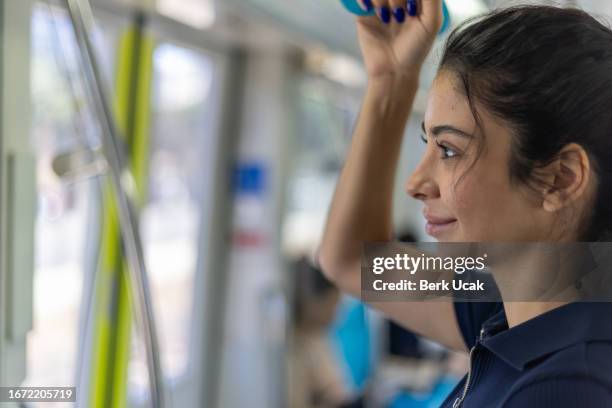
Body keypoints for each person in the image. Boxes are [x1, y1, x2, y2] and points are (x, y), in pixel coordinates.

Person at [317, 1, 612, 407]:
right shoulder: (508, 303)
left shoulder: (570, 387)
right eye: (428, 143)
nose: (416, 183)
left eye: (450, 150)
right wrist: (392, 79)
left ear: (561, 178)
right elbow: (356, 262)